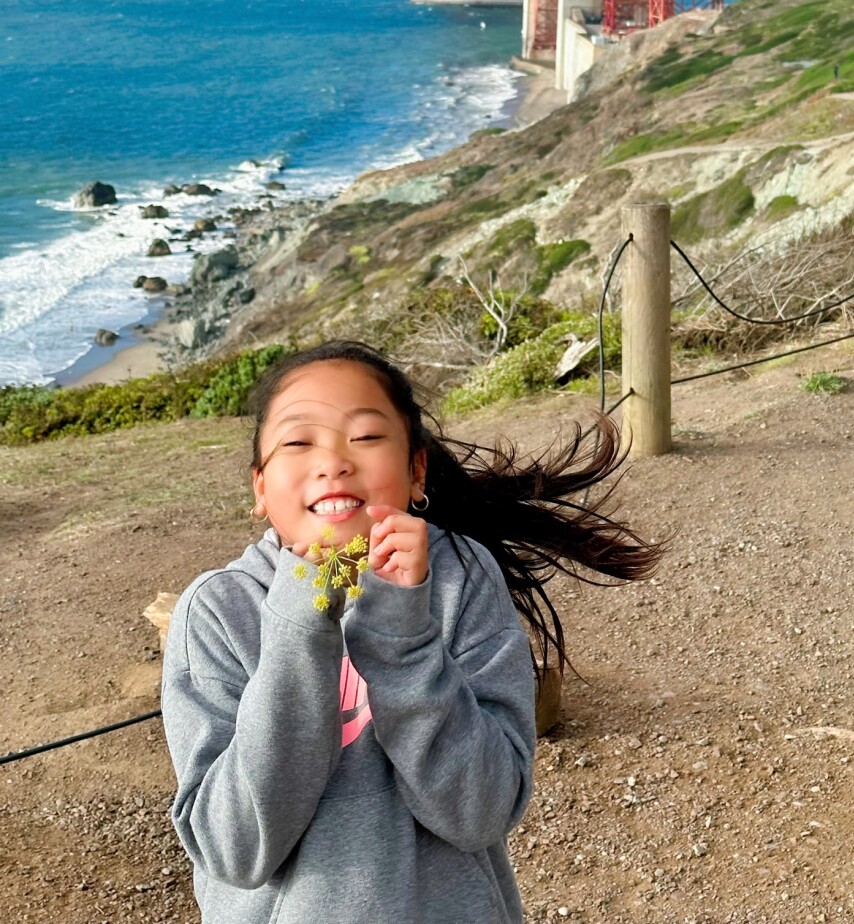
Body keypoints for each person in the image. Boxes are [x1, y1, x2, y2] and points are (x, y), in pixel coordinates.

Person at [161, 340, 660, 924]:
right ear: (260, 488)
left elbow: (481, 813)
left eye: (366, 436)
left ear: (415, 470)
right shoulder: (218, 611)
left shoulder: (461, 579)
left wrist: (403, 634)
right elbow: (234, 851)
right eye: (298, 442)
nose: (333, 462)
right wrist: (299, 620)